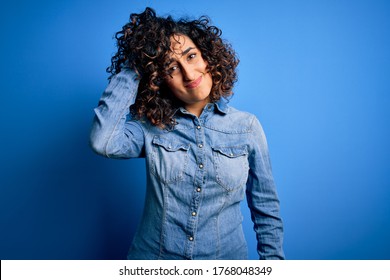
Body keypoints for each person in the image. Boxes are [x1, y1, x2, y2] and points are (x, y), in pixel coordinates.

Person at [90, 7, 284, 260]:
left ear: (208, 57)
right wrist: (136, 64)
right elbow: (102, 141)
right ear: (158, 79)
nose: (189, 74)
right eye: (171, 68)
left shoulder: (247, 127)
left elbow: (266, 208)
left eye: (191, 56)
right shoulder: (150, 127)